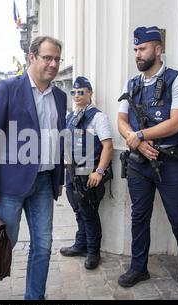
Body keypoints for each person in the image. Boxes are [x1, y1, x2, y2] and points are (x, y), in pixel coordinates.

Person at [117, 26, 178, 292]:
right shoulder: (131, 84)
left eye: (142, 48)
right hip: (138, 162)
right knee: (139, 216)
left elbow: (177, 122)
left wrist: (140, 135)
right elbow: (121, 120)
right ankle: (138, 268)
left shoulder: (177, 80)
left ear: (158, 49)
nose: (137, 54)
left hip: (170, 163)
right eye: (135, 49)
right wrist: (137, 141)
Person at [0, 36, 67, 300]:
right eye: (47, 58)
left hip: (44, 182)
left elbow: (59, 138)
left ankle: (35, 298)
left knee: (43, 245)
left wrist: (59, 176)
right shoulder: (8, 89)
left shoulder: (60, 97)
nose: (53, 64)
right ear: (32, 57)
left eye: (57, 59)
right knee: (4, 242)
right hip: (10, 185)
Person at [60, 77, 113, 270]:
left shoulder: (98, 117)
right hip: (72, 173)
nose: (76, 96)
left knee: (89, 214)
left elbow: (108, 146)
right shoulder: (70, 116)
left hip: (89, 174)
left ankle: (93, 252)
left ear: (90, 93)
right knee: (78, 211)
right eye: (73, 92)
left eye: (81, 92)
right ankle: (80, 245)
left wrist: (99, 171)